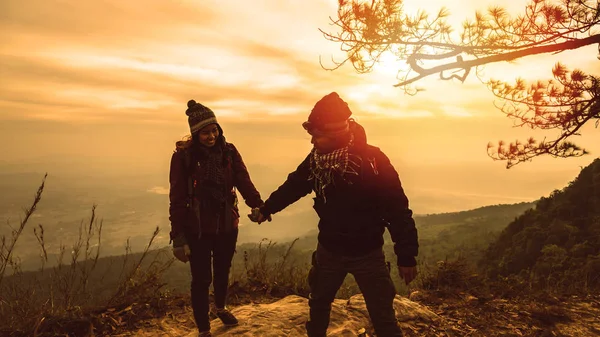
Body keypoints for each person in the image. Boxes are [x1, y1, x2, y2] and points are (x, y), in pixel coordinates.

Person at [248, 92, 419, 337]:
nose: (313, 141)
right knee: (318, 307)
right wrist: (266, 209)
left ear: (338, 133)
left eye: (318, 135)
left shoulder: (372, 160)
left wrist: (407, 255)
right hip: (329, 250)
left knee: (383, 317)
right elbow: (294, 186)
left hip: (367, 253)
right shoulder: (317, 160)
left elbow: (397, 208)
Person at [169, 99, 265, 337]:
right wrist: (178, 236)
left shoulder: (229, 152)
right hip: (197, 227)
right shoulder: (183, 157)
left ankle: (221, 307)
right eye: (205, 133)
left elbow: (243, 180)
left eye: (214, 130)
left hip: (226, 223)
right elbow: (177, 197)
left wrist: (259, 205)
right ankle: (203, 328)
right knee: (201, 278)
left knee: (223, 270)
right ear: (195, 134)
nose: (211, 136)